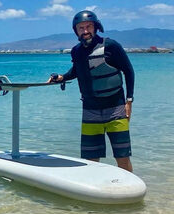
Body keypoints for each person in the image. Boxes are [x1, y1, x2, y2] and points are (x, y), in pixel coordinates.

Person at [48, 10, 135, 172]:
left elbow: (129, 71)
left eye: (88, 26)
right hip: (90, 110)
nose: (85, 31)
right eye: (81, 28)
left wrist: (129, 101)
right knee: (90, 160)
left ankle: (130, 186)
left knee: (122, 156)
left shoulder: (111, 46)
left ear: (96, 27)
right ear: (76, 31)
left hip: (116, 108)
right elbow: (77, 70)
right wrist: (61, 77)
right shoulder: (76, 51)